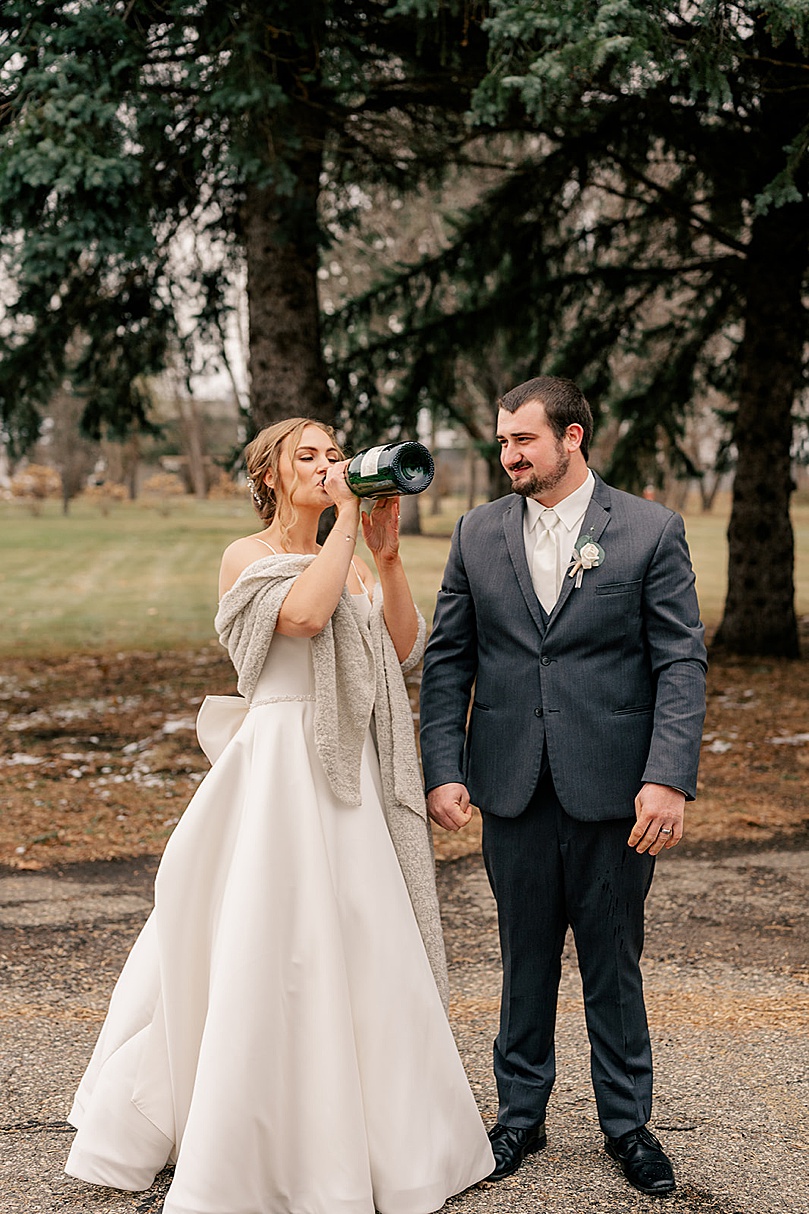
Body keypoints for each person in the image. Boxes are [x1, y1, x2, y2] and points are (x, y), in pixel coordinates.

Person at [65, 418, 494, 1214]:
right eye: (308, 457)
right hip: (280, 765)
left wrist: (386, 554)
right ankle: (248, 1136)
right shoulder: (248, 556)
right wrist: (341, 536)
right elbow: (297, 620)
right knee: (271, 943)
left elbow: (401, 646)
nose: (329, 465)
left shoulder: (355, 559)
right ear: (269, 476)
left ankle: (386, 1141)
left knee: (362, 938)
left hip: (352, 774)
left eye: (336, 455)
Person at [419, 377, 707, 1198]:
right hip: (508, 785)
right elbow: (448, 661)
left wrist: (666, 778)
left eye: (522, 440)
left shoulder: (650, 530)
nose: (507, 454)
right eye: (502, 441)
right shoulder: (476, 534)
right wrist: (444, 767)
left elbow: (678, 660)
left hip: (616, 790)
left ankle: (627, 1125)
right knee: (524, 959)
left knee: (612, 960)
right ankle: (519, 1117)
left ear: (571, 438)